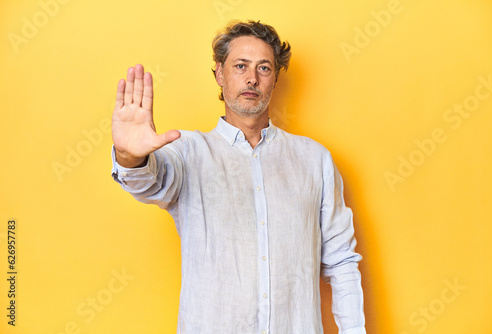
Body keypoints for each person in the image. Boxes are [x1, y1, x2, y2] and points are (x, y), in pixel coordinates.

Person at [111, 20, 366, 334]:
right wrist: (130, 156)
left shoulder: (315, 159)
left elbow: (341, 262)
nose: (251, 78)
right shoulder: (188, 151)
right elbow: (147, 182)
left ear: (275, 78)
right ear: (220, 73)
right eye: (240, 66)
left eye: (264, 68)